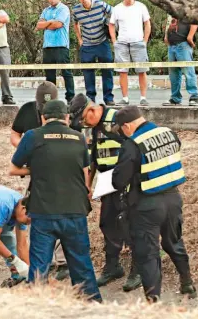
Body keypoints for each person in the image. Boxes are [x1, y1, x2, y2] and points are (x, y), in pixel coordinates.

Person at [9, 100, 102, 303]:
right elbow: (85, 176)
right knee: (82, 264)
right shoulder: (79, 138)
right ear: (67, 118)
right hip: (75, 211)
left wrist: (37, 169)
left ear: (43, 118)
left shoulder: (33, 135)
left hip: (44, 212)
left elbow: (13, 169)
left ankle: (37, 308)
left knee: (39, 268)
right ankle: (93, 307)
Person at [111, 106, 197, 303]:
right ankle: (187, 283)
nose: (123, 133)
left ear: (127, 125)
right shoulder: (168, 133)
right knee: (174, 242)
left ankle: (153, 301)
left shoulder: (133, 144)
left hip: (147, 204)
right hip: (173, 199)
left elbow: (118, 181)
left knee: (148, 252)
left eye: (122, 129)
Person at [68, 93, 141, 292]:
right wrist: (88, 184)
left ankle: (139, 268)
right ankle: (112, 266)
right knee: (107, 222)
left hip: (126, 181)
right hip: (107, 182)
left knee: (129, 223)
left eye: (83, 119)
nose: (84, 124)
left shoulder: (118, 119)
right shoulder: (93, 129)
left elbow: (135, 148)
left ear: (91, 110)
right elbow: (93, 158)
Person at [9, 81, 70, 281]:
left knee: (61, 211)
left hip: (61, 171)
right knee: (36, 211)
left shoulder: (64, 110)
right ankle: (44, 260)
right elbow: (14, 134)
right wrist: (26, 147)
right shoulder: (27, 110)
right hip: (36, 170)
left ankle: (62, 261)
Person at [109, 0, 151, 106]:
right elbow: (111, 25)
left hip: (138, 42)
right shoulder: (117, 8)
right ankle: (125, 98)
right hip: (122, 43)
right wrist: (114, 41)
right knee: (123, 71)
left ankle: (143, 97)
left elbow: (147, 23)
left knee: (142, 71)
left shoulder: (141, 7)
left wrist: (145, 41)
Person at [72, 0, 115, 105]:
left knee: (107, 70)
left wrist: (109, 26)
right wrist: (79, 39)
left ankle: (109, 98)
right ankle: (90, 98)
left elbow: (115, 13)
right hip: (87, 44)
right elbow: (75, 24)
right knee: (88, 72)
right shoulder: (76, 10)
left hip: (102, 42)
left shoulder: (100, 5)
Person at [36, 0, 74, 103]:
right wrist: (50, 22)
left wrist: (47, 24)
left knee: (66, 73)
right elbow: (39, 25)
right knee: (49, 75)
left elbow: (57, 25)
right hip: (48, 46)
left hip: (61, 45)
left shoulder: (63, 9)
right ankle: (50, 100)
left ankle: (70, 98)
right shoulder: (46, 10)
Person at [163, 16, 198, 106]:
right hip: (172, 46)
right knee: (173, 74)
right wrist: (166, 37)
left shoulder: (186, 9)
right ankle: (175, 98)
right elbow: (169, 23)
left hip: (183, 44)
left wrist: (190, 37)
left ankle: (194, 96)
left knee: (188, 71)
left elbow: (195, 21)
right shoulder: (170, 11)